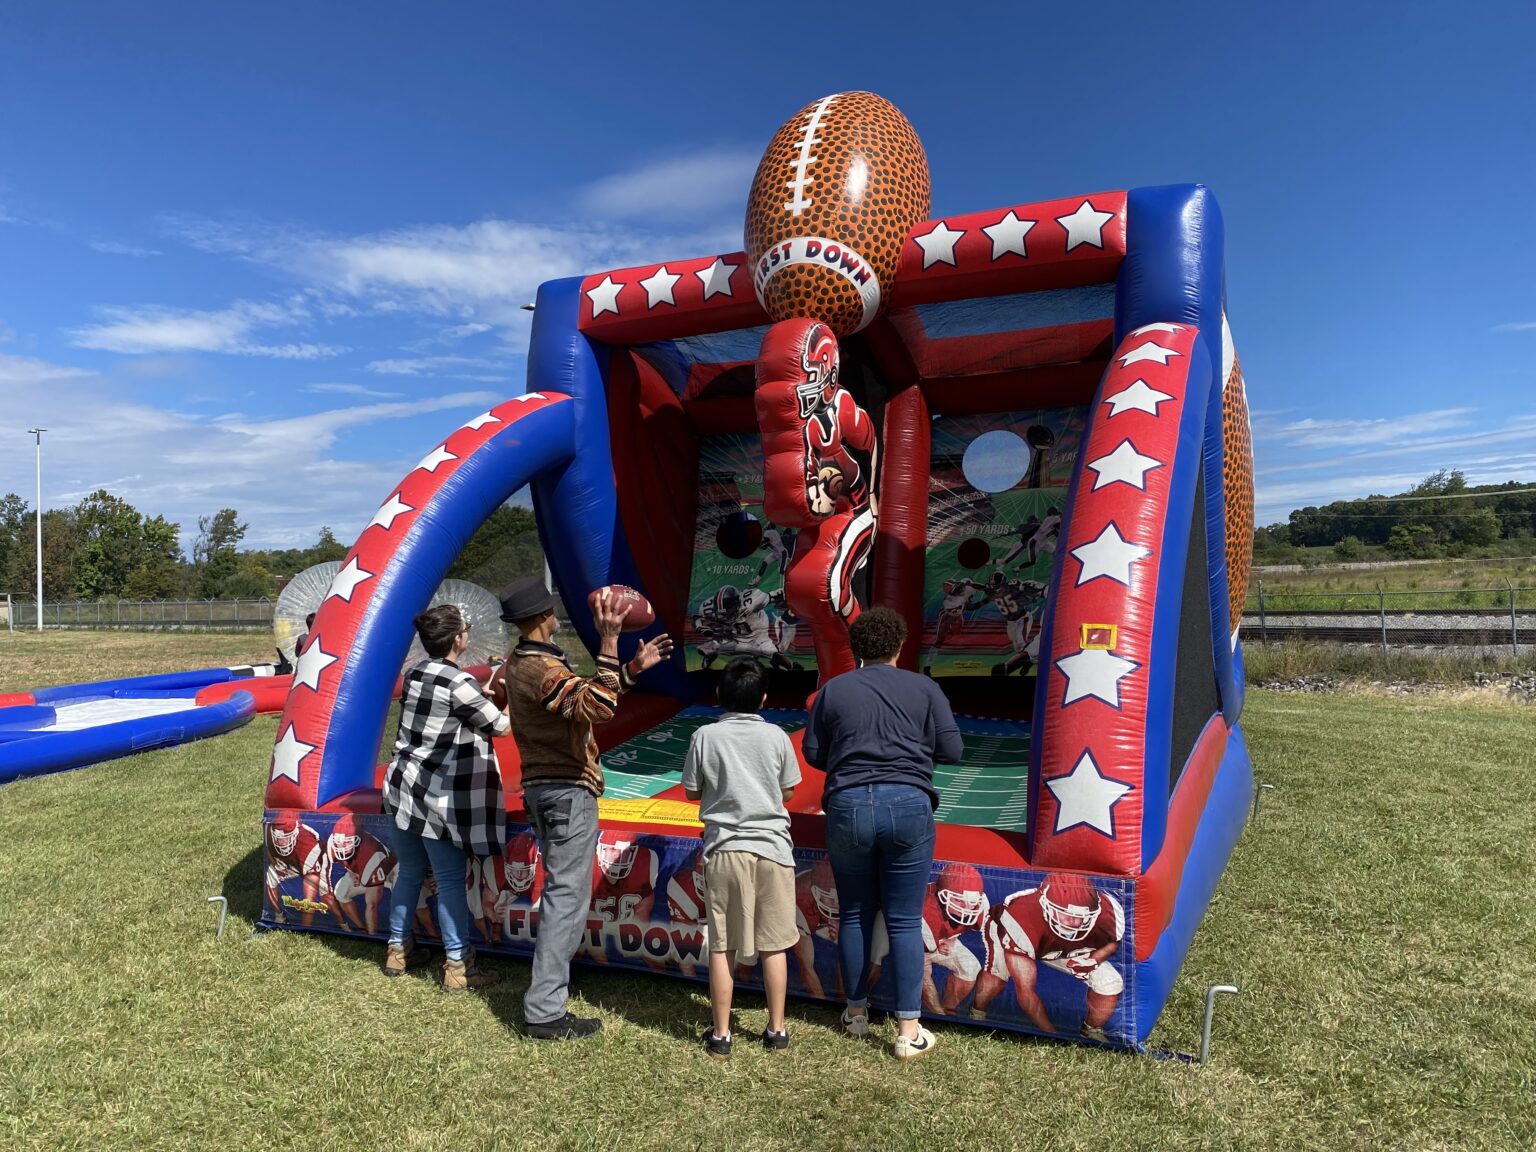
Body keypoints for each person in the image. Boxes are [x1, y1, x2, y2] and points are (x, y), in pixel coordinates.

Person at [499, 577, 672, 1041]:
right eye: (552, 610)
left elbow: (586, 702)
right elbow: (597, 707)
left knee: (563, 895)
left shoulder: (524, 662)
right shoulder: (540, 669)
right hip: (565, 790)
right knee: (566, 899)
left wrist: (630, 670)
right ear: (542, 619)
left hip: (544, 788)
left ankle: (548, 992)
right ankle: (544, 1010)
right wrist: (611, 640)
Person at [802, 606, 963, 1060]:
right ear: (899, 647)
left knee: (853, 912)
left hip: (849, 804)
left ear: (856, 650)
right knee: (904, 919)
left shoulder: (834, 691)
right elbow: (952, 748)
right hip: (909, 803)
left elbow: (815, 753)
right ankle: (908, 1029)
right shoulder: (924, 688)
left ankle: (855, 1014)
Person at [381, 604, 510, 989]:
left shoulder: (415, 672)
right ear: (459, 639)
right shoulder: (460, 682)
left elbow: (447, 710)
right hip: (435, 794)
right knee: (451, 878)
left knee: (410, 870)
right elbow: (500, 727)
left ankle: (397, 950)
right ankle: (458, 966)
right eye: (466, 628)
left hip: (400, 785)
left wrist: (478, 695)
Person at [681, 657, 802, 1058]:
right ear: (764, 698)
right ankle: (777, 1030)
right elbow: (788, 792)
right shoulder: (778, 737)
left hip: (726, 849)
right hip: (773, 848)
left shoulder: (705, 736)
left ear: (719, 696)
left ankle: (721, 1034)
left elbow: (691, 792)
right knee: (775, 944)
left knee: (722, 944)